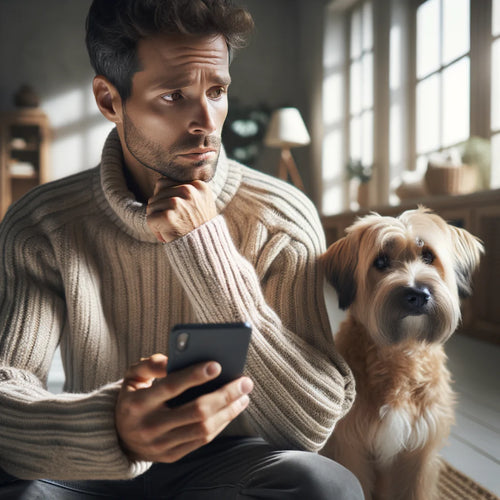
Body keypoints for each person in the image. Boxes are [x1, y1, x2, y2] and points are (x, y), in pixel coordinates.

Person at [0, 0, 362, 498]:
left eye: (217, 91)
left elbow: (311, 426)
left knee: (325, 486)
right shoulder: (41, 222)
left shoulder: (282, 216)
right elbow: (7, 386)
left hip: (231, 466)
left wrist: (206, 249)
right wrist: (113, 429)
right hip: (94, 464)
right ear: (109, 100)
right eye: (174, 96)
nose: (207, 122)